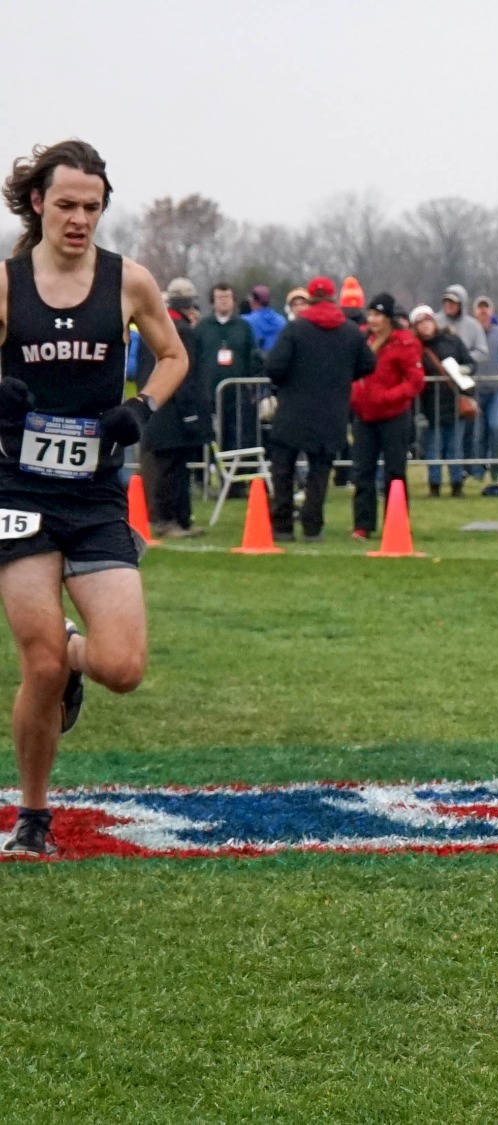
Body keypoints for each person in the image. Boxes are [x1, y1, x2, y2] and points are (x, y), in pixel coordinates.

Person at [0, 139, 187, 856]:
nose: (79, 219)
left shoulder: (128, 281)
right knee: (37, 664)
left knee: (122, 668)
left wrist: (140, 409)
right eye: (67, 204)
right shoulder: (10, 284)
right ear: (39, 203)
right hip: (17, 491)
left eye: (92, 206)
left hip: (95, 495)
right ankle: (34, 816)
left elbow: (173, 354)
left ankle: (79, 655)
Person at [263, 276, 373, 541]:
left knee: (284, 470)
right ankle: (313, 526)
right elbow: (368, 364)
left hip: (293, 410)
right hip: (331, 411)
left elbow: (274, 367)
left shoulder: (295, 330)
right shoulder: (349, 331)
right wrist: (344, 376)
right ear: (334, 298)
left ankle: (283, 525)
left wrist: (286, 382)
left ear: (310, 298)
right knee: (319, 472)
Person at [350, 293, 424, 539]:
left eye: (378, 315)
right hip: (364, 415)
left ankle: (397, 521)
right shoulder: (361, 340)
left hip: (393, 416)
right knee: (362, 472)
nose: (372, 319)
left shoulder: (404, 343)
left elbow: (415, 382)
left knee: (395, 472)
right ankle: (363, 524)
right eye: (370, 314)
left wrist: (389, 396)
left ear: (389, 318)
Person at [137, 278, 207, 538]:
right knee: (172, 468)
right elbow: (185, 375)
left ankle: (180, 518)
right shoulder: (182, 331)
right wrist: (191, 413)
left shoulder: (152, 328)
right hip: (174, 409)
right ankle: (167, 520)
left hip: (155, 404)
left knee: (169, 466)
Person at [411, 305, 475, 498]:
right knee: (434, 448)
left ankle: (457, 485)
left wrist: (464, 370)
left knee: (455, 447)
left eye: (427, 321)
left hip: (454, 401)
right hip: (430, 405)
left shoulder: (452, 341)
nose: (425, 326)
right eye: (420, 323)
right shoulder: (415, 347)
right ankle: (435, 485)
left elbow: (471, 363)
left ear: (434, 321)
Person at [192, 281, 260, 456]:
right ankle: (204, 473)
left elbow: (252, 356)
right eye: (219, 297)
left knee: (235, 436)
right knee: (208, 436)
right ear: (212, 301)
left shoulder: (243, 327)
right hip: (208, 392)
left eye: (227, 297)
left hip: (236, 394)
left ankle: (234, 476)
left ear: (234, 300)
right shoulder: (202, 327)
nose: (223, 301)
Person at [470, 294, 498, 485]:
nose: (483, 312)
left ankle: (496, 468)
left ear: (491, 311)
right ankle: (477, 471)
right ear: (474, 311)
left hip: (497, 390)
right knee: (478, 433)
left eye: (486, 308)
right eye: (479, 308)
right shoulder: (470, 333)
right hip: (475, 391)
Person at [242, 284, 285, 352]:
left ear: (253, 301)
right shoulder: (282, 321)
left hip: (255, 360)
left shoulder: (245, 321)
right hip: (278, 360)